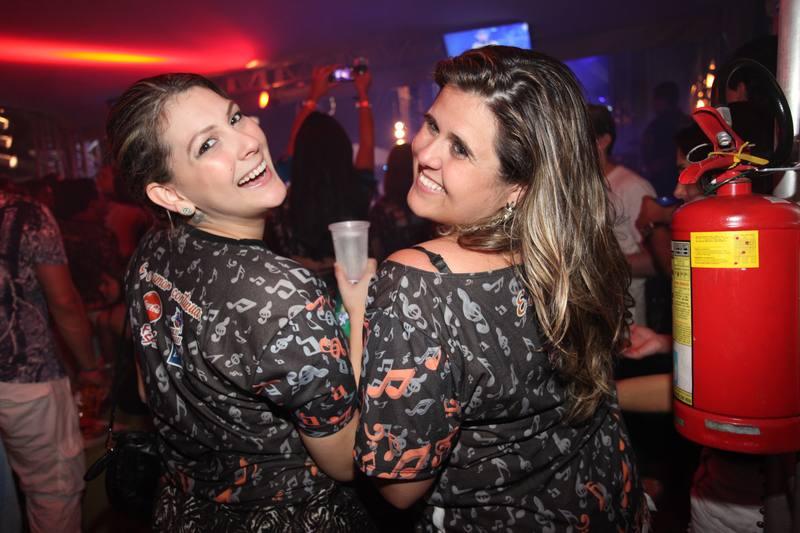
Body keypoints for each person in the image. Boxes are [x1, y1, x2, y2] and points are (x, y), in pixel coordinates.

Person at [350, 46, 649, 531]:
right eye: (432, 125)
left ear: (519, 187)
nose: (425, 153)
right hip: (605, 502)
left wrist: (357, 315)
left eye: (460, 148)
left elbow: (399, 487)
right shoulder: (575, 255)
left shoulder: (419, 281)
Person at [106, 73, 376, 531]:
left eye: (234, 118)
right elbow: (346, 458)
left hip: (183, 512)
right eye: (207, 145)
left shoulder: (152, 248)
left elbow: (149, 389)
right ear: (169, 193)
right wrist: (358, 307)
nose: (249, 141)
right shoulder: (280, 293)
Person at [0, 188, 102, 533]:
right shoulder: (26, 216)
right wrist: (89, 366)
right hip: (26, 379)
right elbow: (64, 301)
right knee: (52, 491)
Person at [265, 65, 375, 289]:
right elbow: (367, 145)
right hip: (347, 292)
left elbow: (293, 145)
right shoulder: (356, 192)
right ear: (344, 148)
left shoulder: (283, 197)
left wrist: (313, 96)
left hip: (294, 292)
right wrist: (363, 95)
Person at [588, 104, 656, 326]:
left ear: (603, 141)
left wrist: (597, 266)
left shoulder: (632, 187)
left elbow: (656, 262)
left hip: (627, 322)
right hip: (592, 320)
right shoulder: (580, 187)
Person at [368, 143, 434, 263]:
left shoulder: (380, 209)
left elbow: (375, 252)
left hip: (391, 269)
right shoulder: (428, 205)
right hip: (428, 267)